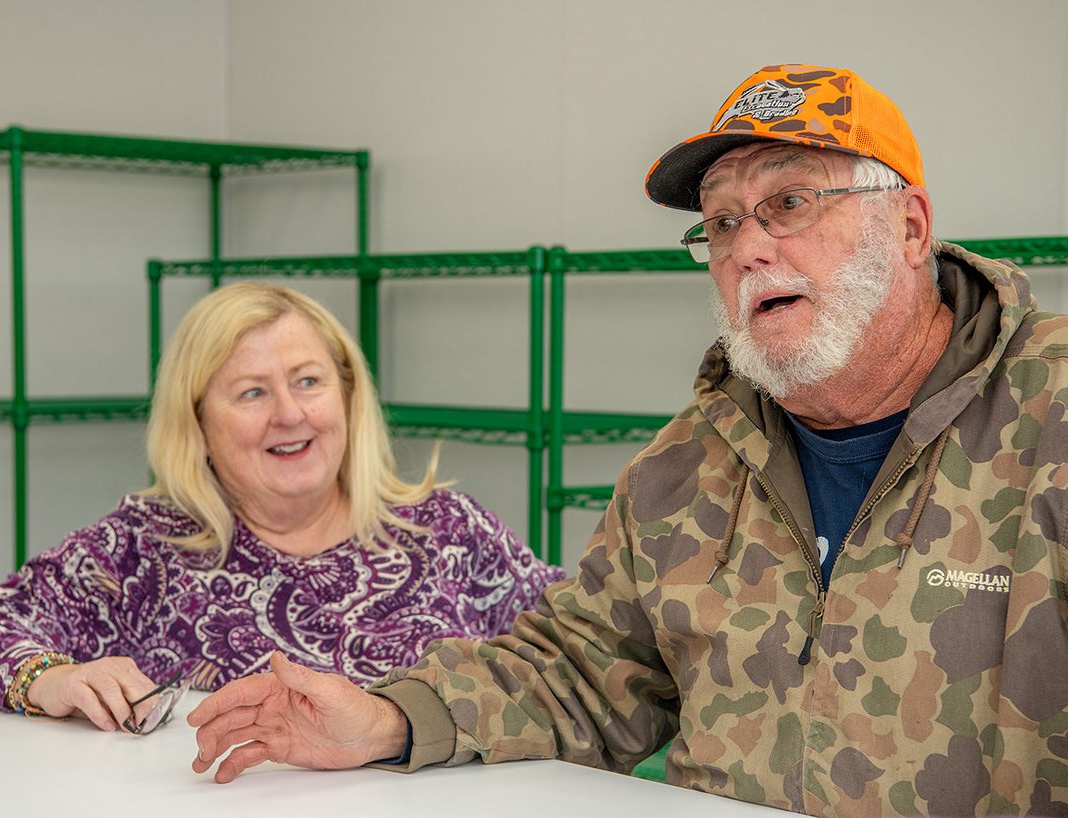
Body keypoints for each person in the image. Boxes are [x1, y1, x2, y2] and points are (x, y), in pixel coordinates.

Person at [187, 65, 1068, 817]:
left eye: (789, 202)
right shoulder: (685, 467)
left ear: (910, 226)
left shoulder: (1050, 419)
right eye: (721, 223)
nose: (748, 248)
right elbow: (583, 671)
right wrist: (391, 720)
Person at [0, 282, 564, 732]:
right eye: (251, 392)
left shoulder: (446, 529)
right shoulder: (145, 547)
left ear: (347, 395)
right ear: (198, 422)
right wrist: (48, 680)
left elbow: (581, 648)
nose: (289, 414)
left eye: (309, 381)